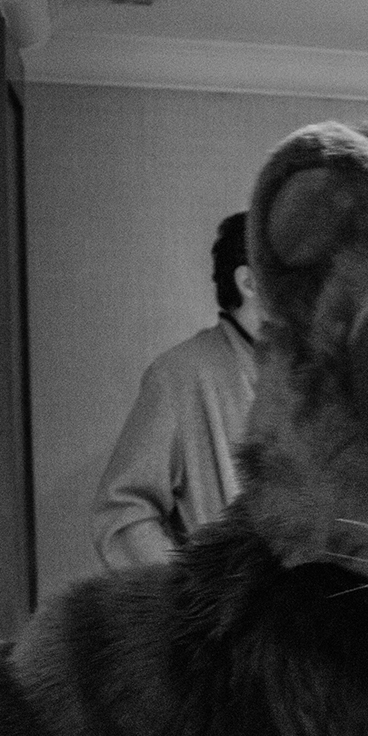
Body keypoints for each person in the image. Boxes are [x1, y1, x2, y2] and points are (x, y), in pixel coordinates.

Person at [92, 212, 261, 570]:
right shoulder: (178, 376)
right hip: (229, 603)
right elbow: (123, 512)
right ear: (248, 282)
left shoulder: (314, 374)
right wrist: (188, 592)